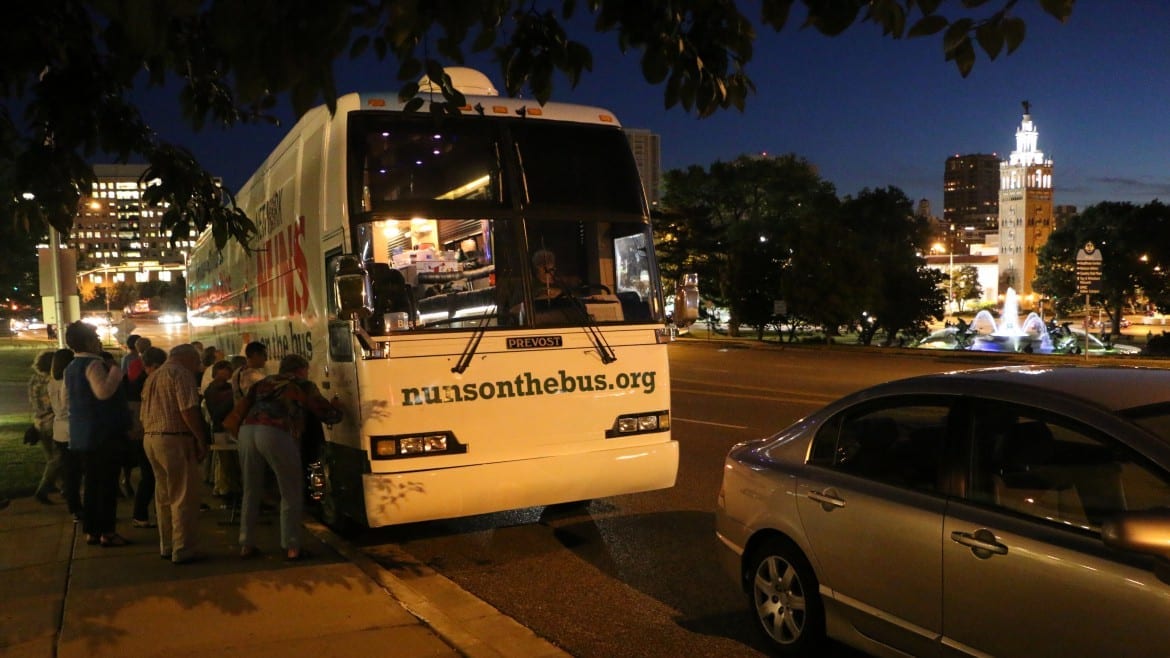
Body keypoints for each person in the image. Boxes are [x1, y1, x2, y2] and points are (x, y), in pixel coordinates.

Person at [237, 353, 342, 560]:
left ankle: (246, 544)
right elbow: (326, 413)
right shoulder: (303, 384)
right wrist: (337, 408)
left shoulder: (264, 382)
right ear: (300, 369)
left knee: (251, 489)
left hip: (247, 431)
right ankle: (292, 546)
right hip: (277, 432)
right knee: (290, 491)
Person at [63, 321, 131, 547]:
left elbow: (67, 400)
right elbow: (103, 392)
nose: (99, 340)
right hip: (103, 434)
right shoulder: (93, 364)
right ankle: (108, 532)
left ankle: (91, 530)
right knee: (107, 486)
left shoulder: (70, 367)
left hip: (82, 435)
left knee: (92, 485)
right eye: (96, 337)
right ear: (89, 342)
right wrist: (115, 372)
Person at [140, 344, 209, 564]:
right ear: (187, 359)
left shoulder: (154, 375)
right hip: (174, 438)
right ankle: (183, 548)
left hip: (151, 438)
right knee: (182, 495)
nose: (198, 368)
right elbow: (188, 409)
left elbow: (143, 413)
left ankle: (167, 544)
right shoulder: (181, 374)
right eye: (197, 362)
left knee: (163, 496)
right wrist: (200, 438)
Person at [124, 337, 156, 527]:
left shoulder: (132, 380)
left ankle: (141, 513)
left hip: (137, 432)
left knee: (149, 475)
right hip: (143, 433)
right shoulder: (146, 384)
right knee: (150, 475)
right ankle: (140, 514)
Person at [48, 349, 81, 520]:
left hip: (59, 431)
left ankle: (74, 506)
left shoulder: (52, 382)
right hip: (71, 430)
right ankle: (77, 507)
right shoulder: (68, 382)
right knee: (77, 472)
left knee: (70, 472)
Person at [203, 360, 240, 500]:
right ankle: (227, 492)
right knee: (225, 463)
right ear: (217, 372)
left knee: (231, 463)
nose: (228, 372)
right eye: (225, 369)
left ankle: (229, 490)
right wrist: (233, 399)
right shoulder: (212, 390)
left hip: (228, 428)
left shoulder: (228, 387)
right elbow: (216, 413)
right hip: (221, 429)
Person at [29, 351, 58, 504]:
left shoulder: (34, 380)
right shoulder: (52, 381)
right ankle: (43, 489)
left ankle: (62, 486)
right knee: (57, 459)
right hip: (52, 422)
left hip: (38, 422)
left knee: (50, 458)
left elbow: (32, 401)